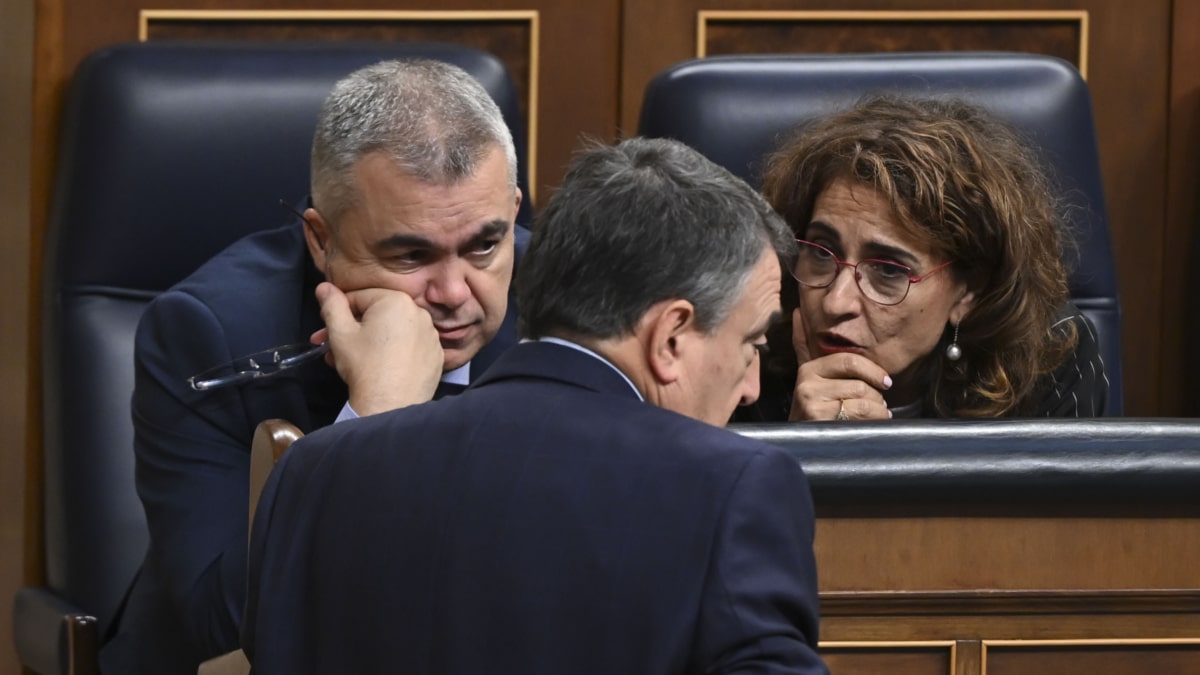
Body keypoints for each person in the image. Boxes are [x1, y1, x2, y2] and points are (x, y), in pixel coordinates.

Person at [242, 137, 830, 675]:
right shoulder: (732, 485)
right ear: (670, 337)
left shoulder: (308, 474)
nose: (753, 386)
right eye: (752, 343)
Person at [100, 59, 530, 675]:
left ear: (513, 211)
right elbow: (220, 625)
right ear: (321, 240)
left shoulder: (567, 307)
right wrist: (377, 418)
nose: (456, 293)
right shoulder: (207, 334)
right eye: (411, 255)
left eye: (485, 245)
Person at [740, 95, 1108, 422]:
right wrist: (800, 452)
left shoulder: (1047, 357)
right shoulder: (748, 350)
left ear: (969, 291)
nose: (837, 302)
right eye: (822, 252)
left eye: (887, 270)